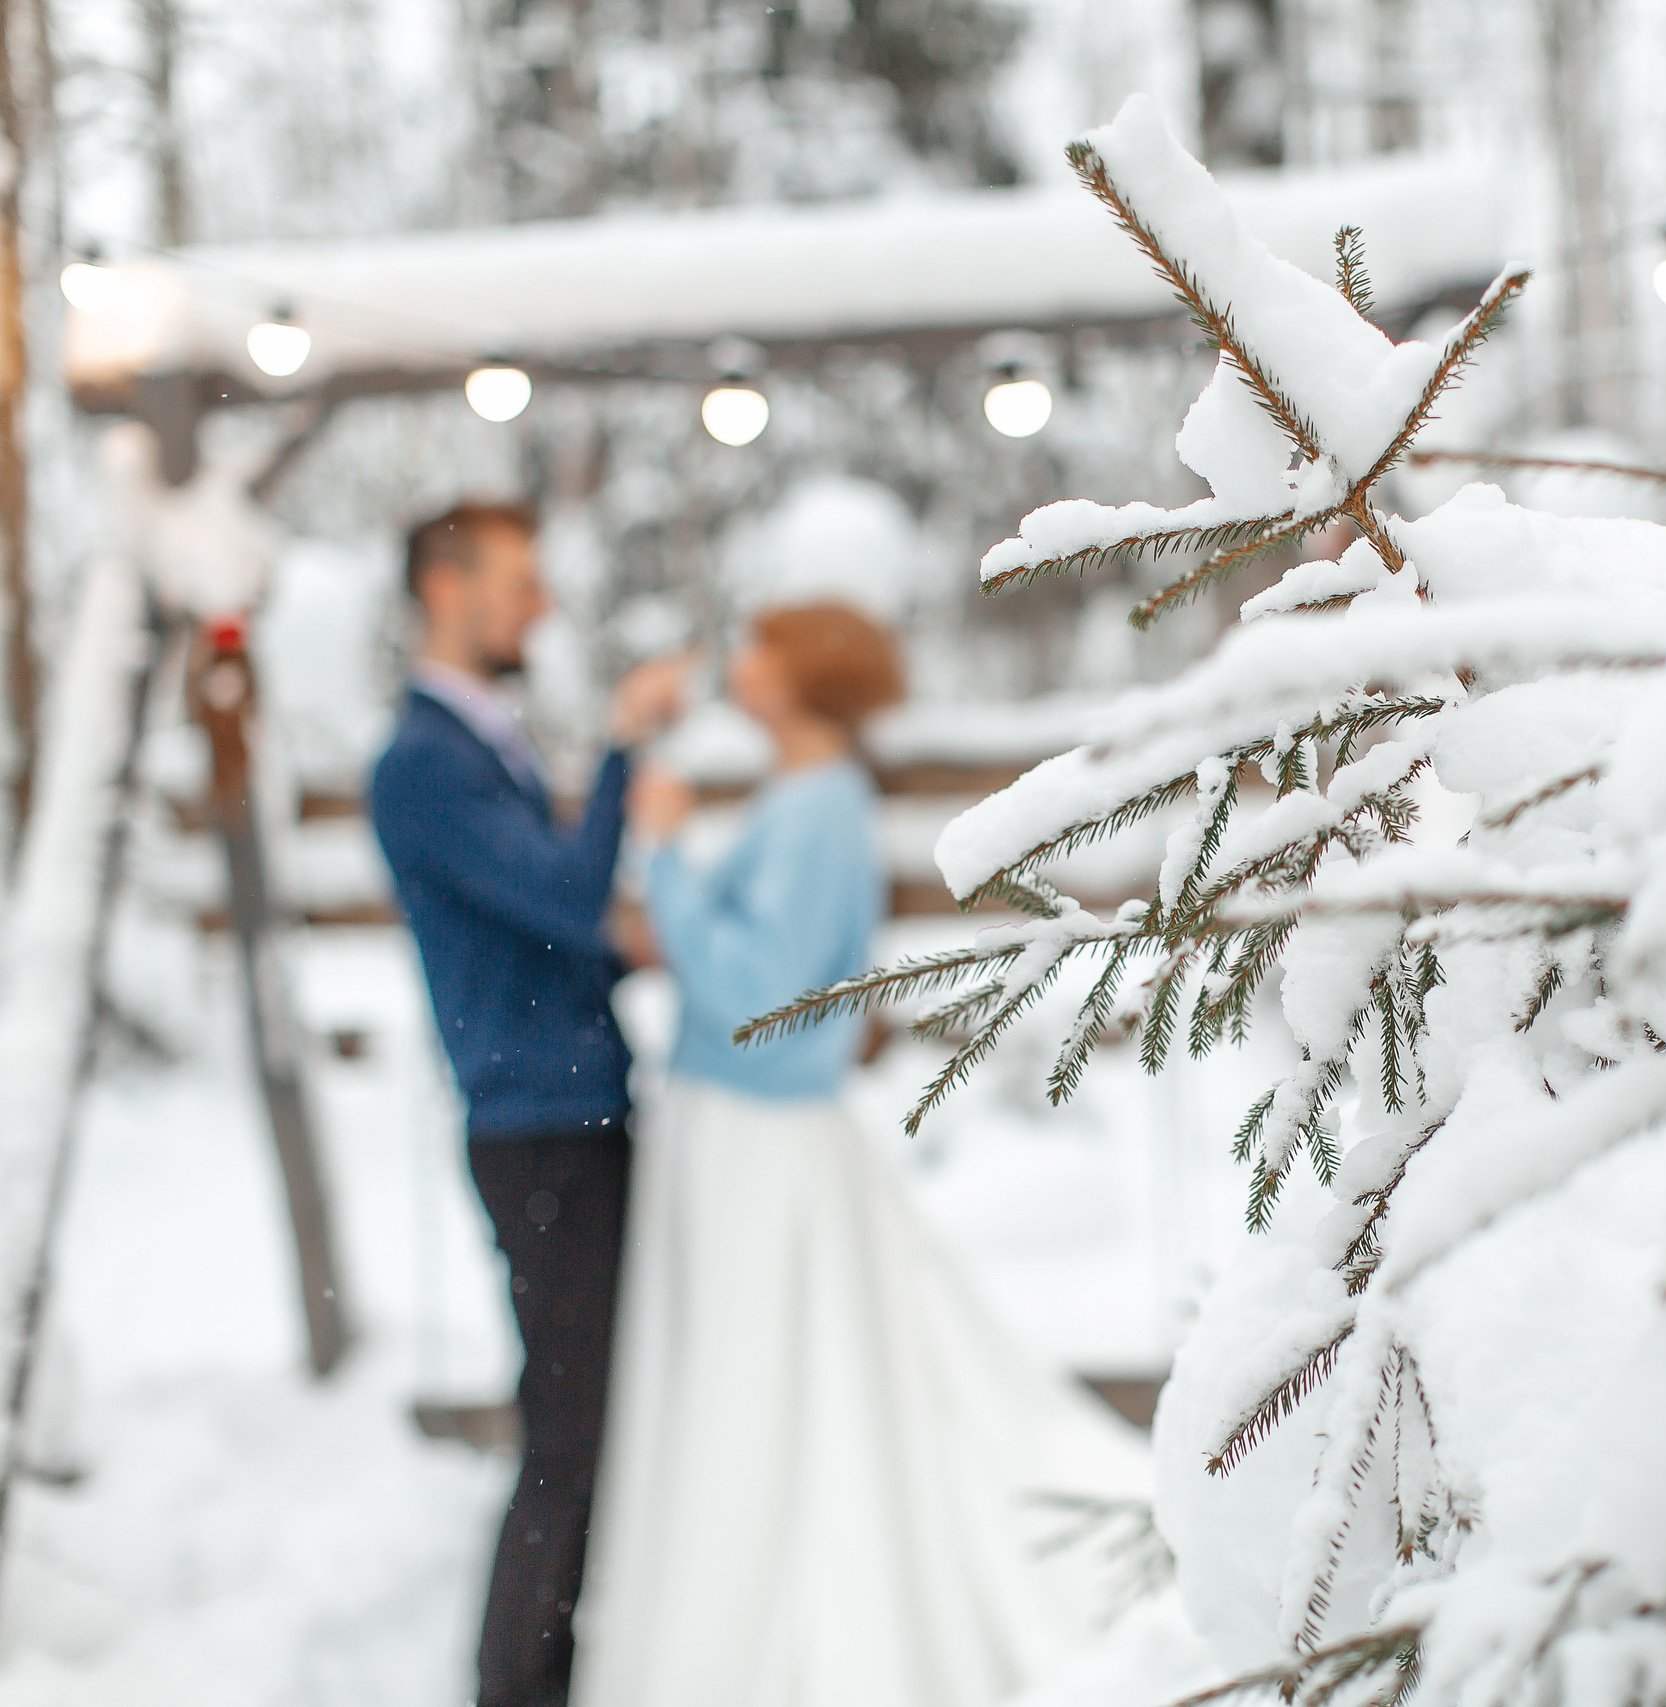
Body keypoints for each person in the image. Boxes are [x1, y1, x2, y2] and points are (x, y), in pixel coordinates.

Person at [570, 602, 1148, 1707]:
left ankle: (756, 1633)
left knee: (764, 1381)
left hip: (758, 1135)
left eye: (760, 645)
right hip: (736, 1130)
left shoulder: (819, 805)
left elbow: (760, 996)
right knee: (773, 1378)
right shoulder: (808, 798)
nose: (739, 662)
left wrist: (667, 857)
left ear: (806, 673)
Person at [368, 502, 689, 1707]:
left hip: (570, 1114)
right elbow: (559, 895)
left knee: (586, 1423)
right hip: (537, 1132)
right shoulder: (421, 765)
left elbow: (541, 936)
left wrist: (645, 951)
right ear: (444, 588)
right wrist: (621, 749)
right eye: (519, 581)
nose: (540, 607)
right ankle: (517, 1687)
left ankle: (546, 1671)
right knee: (566, 1434)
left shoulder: (475, 749)